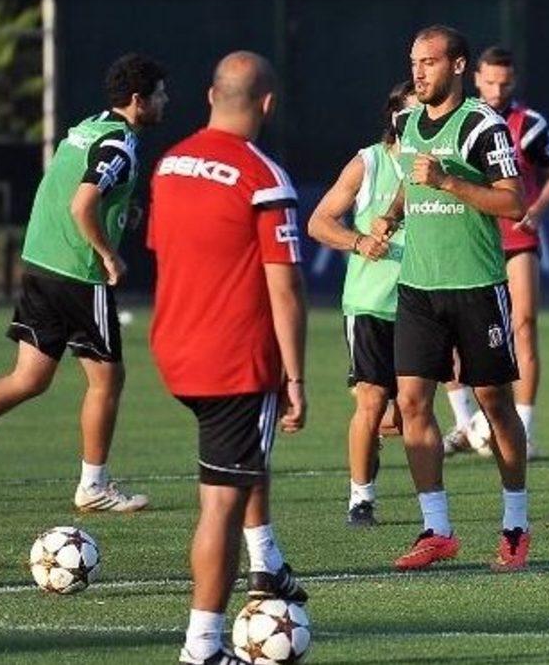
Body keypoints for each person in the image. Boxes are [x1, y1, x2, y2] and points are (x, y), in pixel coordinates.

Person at [0, 54, 166, 513]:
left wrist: (120, 213)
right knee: (108, 379)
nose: (166, 101)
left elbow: (72, 187)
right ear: (139, 100)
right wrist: (108, 253)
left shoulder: (88, 126)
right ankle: (93, 486)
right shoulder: (120, 144)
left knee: (29, 378)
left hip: (40, 263)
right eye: (161, 94)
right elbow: (82, 203)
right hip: (76, 272)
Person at [149, 51, 308, 665]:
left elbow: (170, 251)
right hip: (234, 360)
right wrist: (295, 376)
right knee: (220, 503)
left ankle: (266, 562)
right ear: (268, 104)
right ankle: (202, 648)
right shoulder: (263, 177)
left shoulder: (169, 165)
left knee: (241, 467)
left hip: (175, 348)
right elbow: (284, 286)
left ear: (211, 95)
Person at [371, 25, 530, 572]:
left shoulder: (483, 125)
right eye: (414, 62)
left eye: (430, 62)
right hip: (419, 287)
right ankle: (436, 529)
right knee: (412, 403)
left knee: (494, 403)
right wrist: (391, 215)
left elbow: (513, 203)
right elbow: (408, 178)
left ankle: (515, 524)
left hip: (476, 286)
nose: (418, 73)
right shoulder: (406, 121)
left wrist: (449, 182)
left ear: (458, 66)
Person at [442, 46, 549, 460]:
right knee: (452, 331)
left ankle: (523, 430)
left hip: (516, 238)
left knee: (524, 325)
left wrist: (537, 209)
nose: (498, 90)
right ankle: (464, 425)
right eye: (491, 82)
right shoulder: (459, 121)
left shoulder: (529, 125)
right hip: (467, 239)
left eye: (505, 83)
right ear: (476, 78)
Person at [308, 80, 416, 526]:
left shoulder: (437, 166)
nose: (417, 121)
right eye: (409, 114)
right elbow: (318, 221)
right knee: (370, 402)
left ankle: (379, 441)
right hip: (370, 303)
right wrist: (358, 242)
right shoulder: (368, 162)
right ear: (393, 117)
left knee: (409, 412)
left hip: (421, 302)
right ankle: (361, 499)